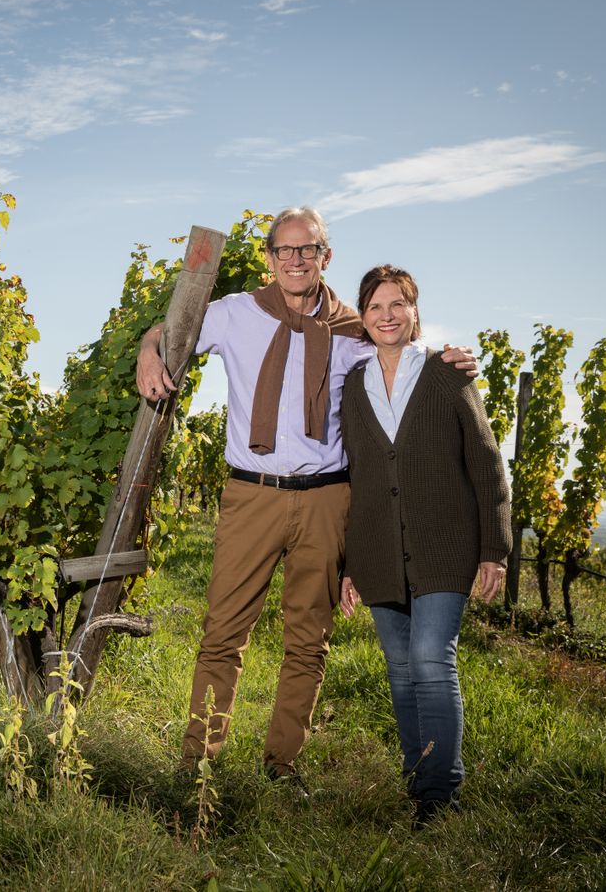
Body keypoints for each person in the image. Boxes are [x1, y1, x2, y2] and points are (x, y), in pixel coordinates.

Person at [135, 206, 477, 789]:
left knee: (308, 641)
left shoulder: (353, 327)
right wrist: (149, 348)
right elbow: (171, 330)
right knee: (223, 633)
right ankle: (197, 766)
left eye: (308, 249)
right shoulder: (238, 313)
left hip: (327, 499)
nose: (295, 260)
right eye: (284, 251)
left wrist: (453, 359)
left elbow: (405, 357)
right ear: (269, 258)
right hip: (253, 495)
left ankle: (281, 767)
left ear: (326, 256)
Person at [337, 264, 510, 825]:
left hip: (444, 548)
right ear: (363, 318)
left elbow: (486, 465)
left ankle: (440, 797)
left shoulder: (446, 376)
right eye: (375, 307)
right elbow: (356, 477)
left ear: (415, 312)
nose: (386, 316)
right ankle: (418, 782)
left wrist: (495, 549)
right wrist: (347, 565)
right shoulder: (353, 387)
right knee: (399, 669)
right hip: (377, 551)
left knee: (432, 661)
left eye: (397, 305)